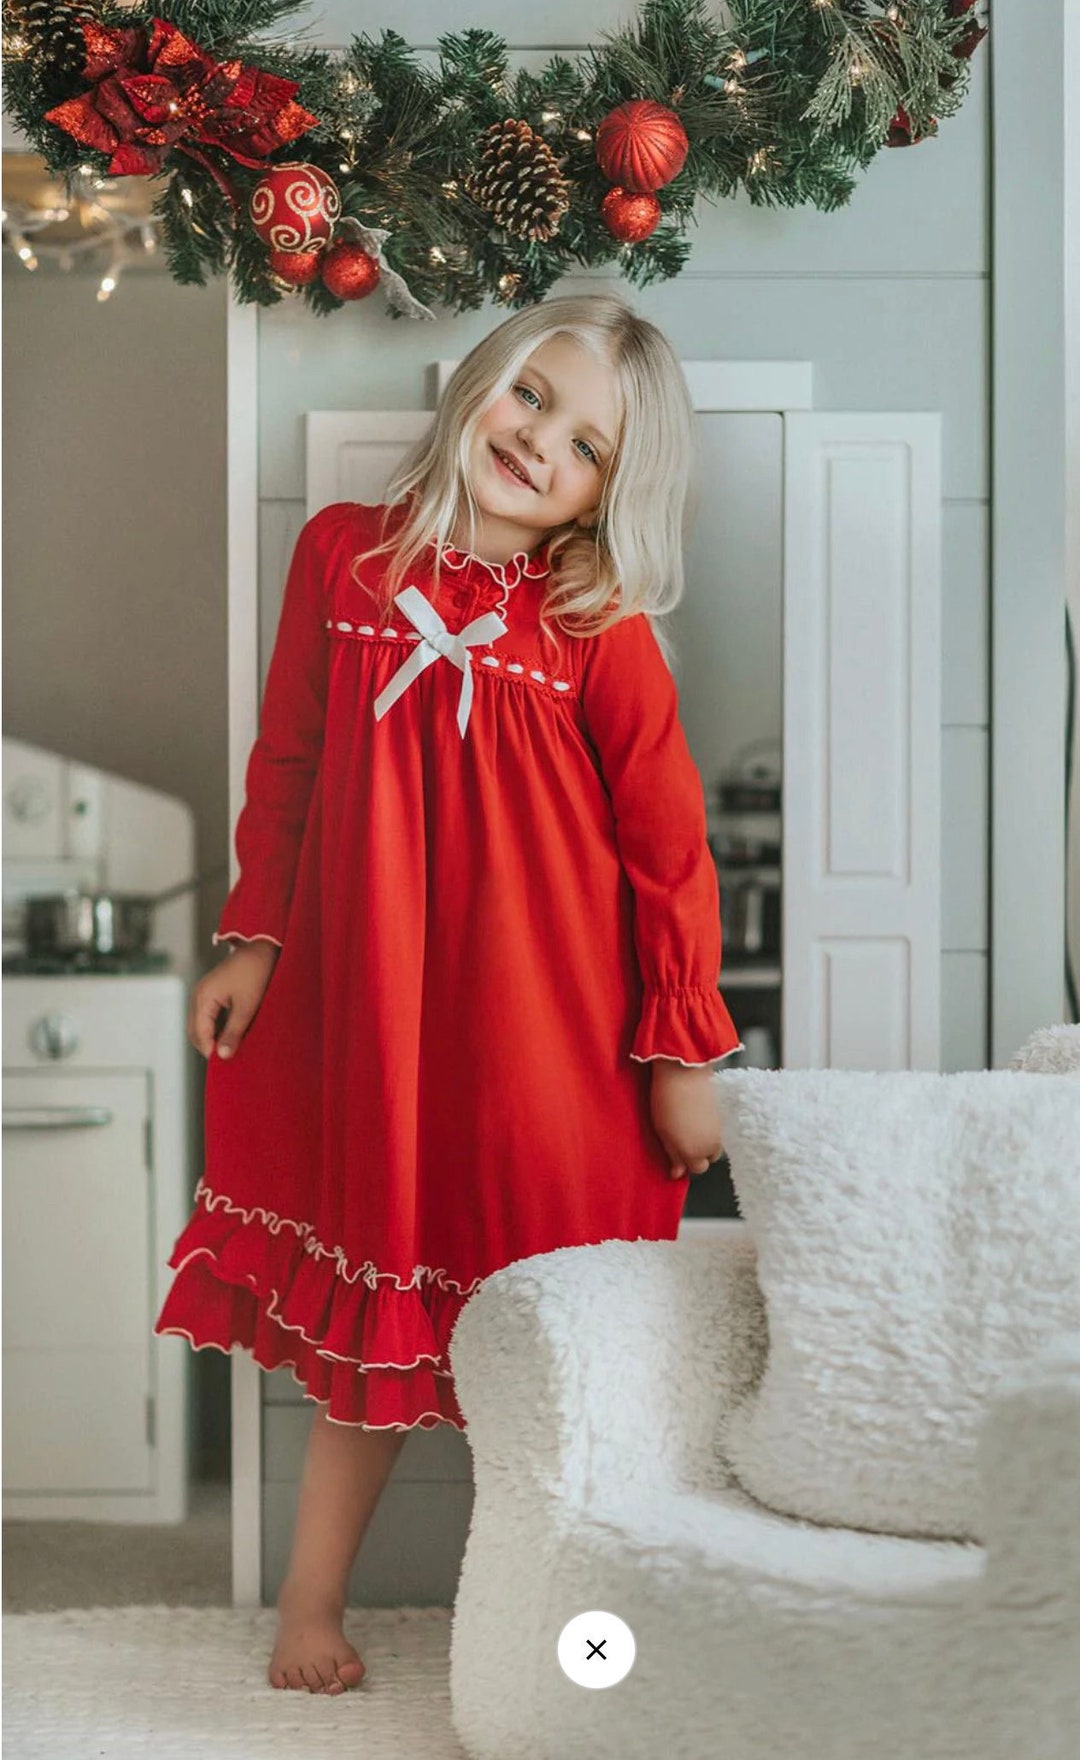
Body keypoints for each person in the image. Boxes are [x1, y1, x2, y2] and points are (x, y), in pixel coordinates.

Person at [153, 292, 743, 1696]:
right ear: (483, 380)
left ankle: (566, 1640)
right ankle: (310, 1605)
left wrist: (680, 1049)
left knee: (543, 1359)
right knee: (381, 1313)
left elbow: (670, 849)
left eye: (588, 446)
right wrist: (254, 939)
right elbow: (290, 762)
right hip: (380, 1023)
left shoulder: (596, 627)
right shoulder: (342, 559)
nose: (540, 442)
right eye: (533, 397)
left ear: (608, 494)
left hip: (545, 1039)